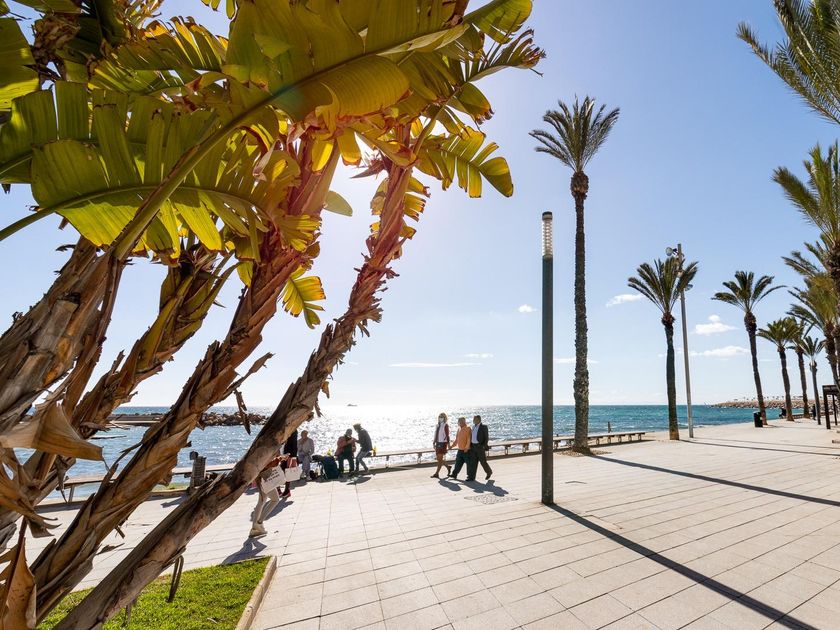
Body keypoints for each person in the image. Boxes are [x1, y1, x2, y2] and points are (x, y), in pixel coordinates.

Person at [250, 450, 287, 537]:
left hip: (261, 478)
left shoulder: (260, 449)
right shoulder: (267, 448)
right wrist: (280, 458)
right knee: (275, 500)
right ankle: (259, 523)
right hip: (265, 478)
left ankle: (254, 529)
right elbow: (268, 463)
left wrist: (280, 458)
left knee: (261, 502)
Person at [467, 414, 492, 481]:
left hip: (480, 447)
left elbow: (486, 438)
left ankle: (489, 472)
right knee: (473, 462)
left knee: (483, 462)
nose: (473, 420)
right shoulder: (473, 427)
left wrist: (483, 446)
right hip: (473, 447)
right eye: (473, 419)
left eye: (475, 419)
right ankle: (471, 477)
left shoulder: (484, 427)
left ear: (479, 420)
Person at [431, 412, 451, 478]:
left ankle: (436, 473)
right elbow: (435, 434)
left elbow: (447, 435)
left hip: (443, 443)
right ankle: (448, 467)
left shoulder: (445, 425)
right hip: (438, 443)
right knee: (438, 459)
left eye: (442, 417)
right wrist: (434, 442)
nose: (440, 418)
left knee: (440, 458)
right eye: (440, 416)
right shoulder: (437, 425)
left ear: (445, 418)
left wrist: (448, 444)